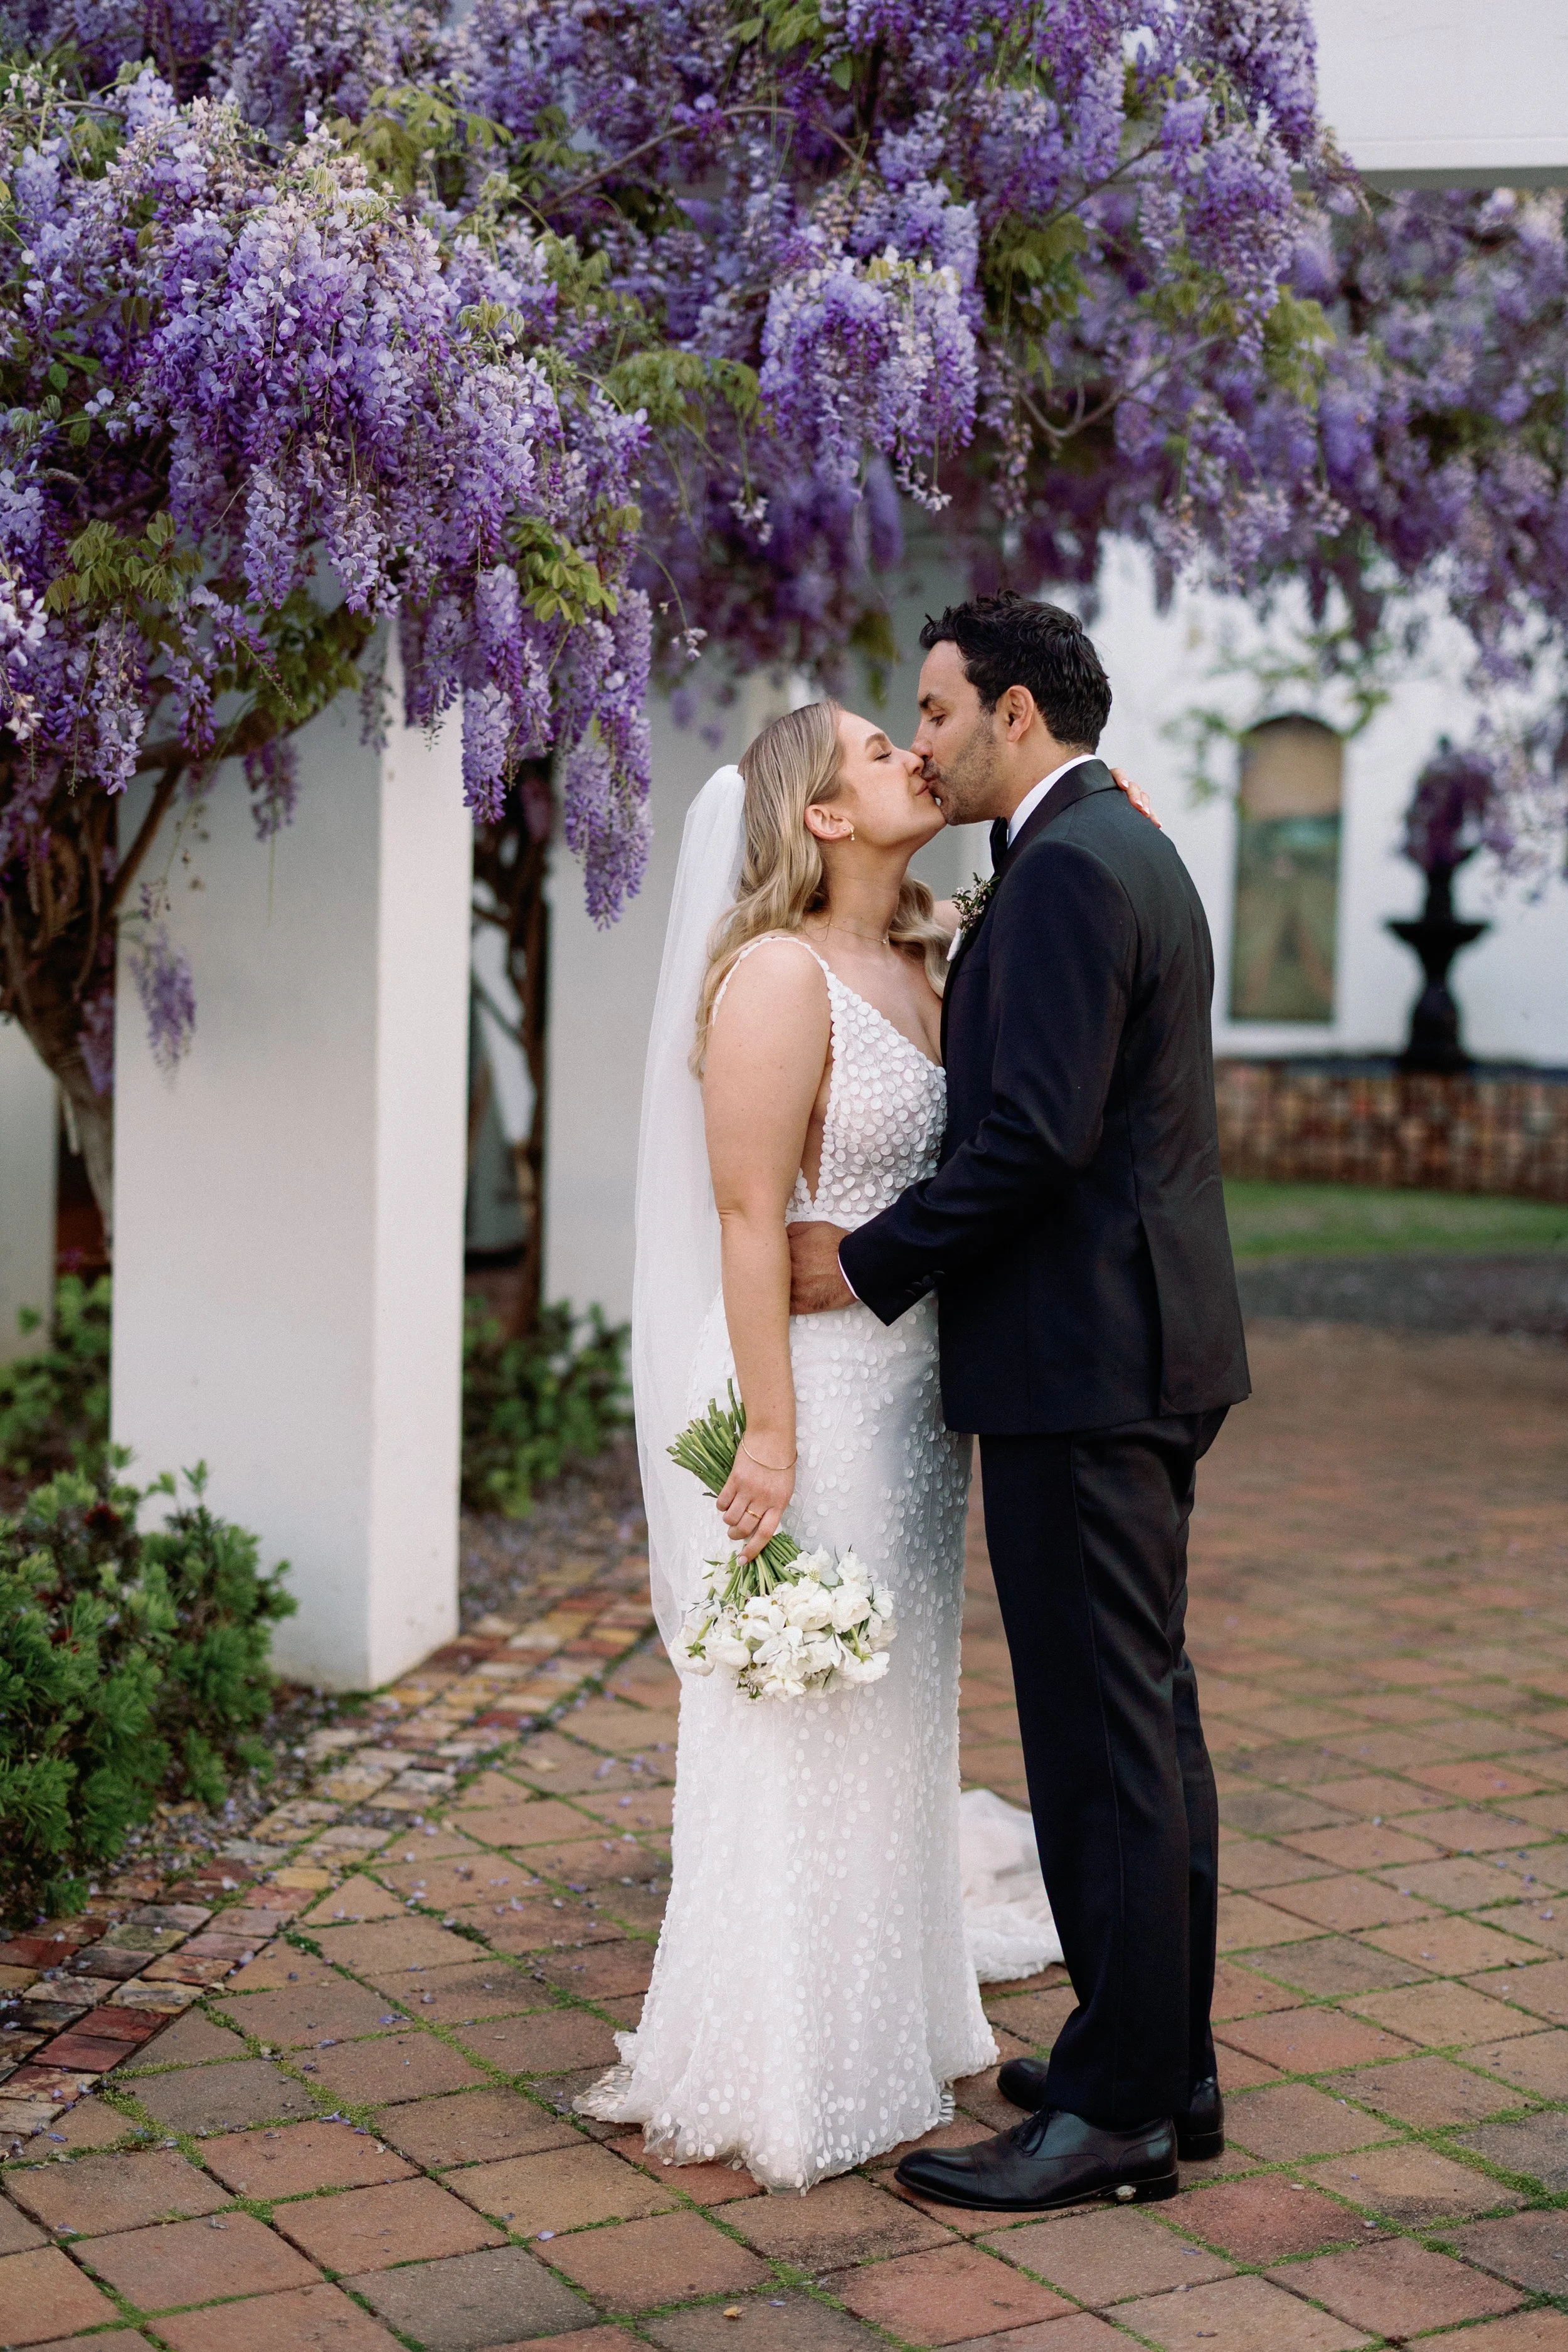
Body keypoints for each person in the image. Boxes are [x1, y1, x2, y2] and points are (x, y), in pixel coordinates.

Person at [577, 698, 1112, 2190]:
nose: (913, 760)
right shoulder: (772, 974)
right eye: (881, 751)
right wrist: (765, 1434)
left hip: (911, 1398)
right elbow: (751, 1218)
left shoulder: (931, 950)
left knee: (895, 1704)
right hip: (801, 1383)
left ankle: (888, 2012)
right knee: (800, 1707)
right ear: (818, 814)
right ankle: (783, 2055)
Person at [787, 593, 1250, 2213]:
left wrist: (860, 1260)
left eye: (933, 709)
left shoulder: (1060, 875)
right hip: (1139, 1346)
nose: (917, 739)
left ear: (1016, 716)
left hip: (1079, 1363)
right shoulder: (1116, 845)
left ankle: (1118, 2108)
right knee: (1148, 1714)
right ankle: (1161, 2049)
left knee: (1097, 1734)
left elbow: (1032, 1140)